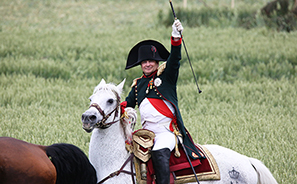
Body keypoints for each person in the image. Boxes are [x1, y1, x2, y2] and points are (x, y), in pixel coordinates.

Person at [122, 20, 204, 184]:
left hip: (166, 131)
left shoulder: (166, 76)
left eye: (150, 61)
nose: (147, 64)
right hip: (146, 133)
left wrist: (175, 36)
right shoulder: (138, 84)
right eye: (144, 62)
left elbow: (174, 59)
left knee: (159, 151)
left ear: (157, 62)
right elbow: (127, 105)